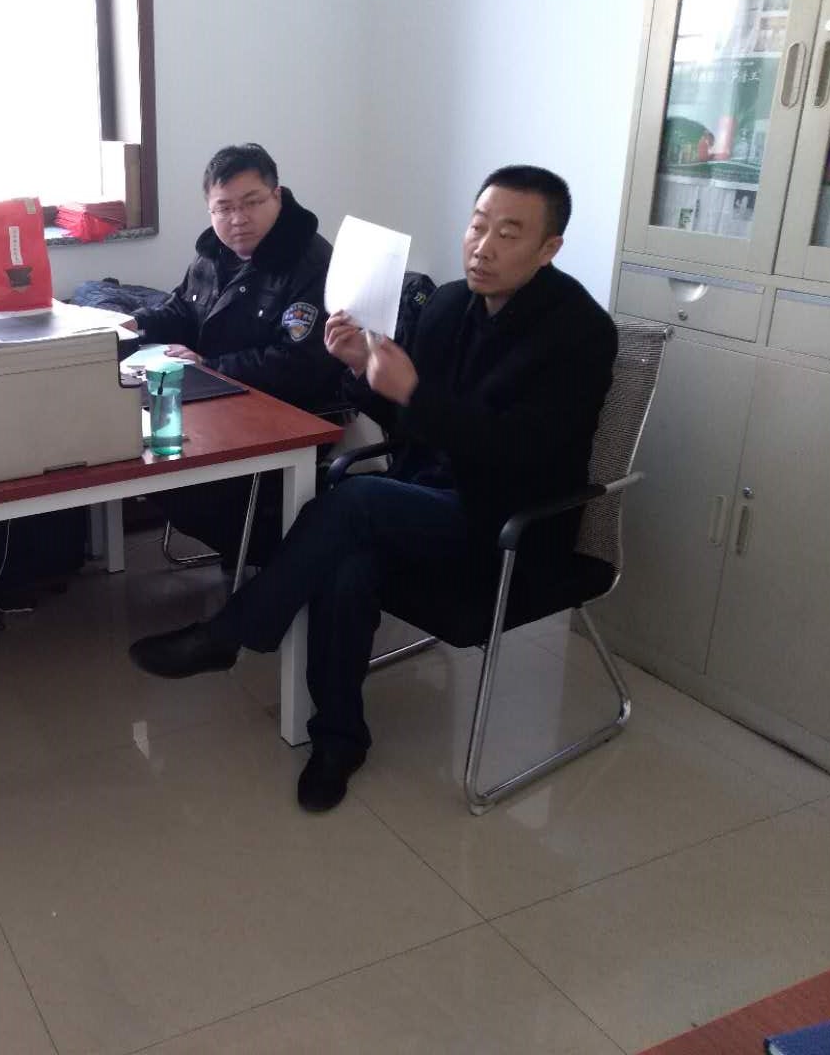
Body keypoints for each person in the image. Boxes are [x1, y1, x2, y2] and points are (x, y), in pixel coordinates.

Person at [128, 166, 617, 814]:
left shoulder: (579, 333)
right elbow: (403, 422)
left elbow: (517, 450)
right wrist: (362, 370)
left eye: (508, 234)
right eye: (477, 226)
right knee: (348, 557)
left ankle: (233, 632)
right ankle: (339, 740)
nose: (482, 247)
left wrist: (414, 392)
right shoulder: (448, 305)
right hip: (427, 498)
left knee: (353, 502)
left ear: (549, 247)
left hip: (508, 523)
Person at [133, 143, 345, 565]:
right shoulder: (213, 252)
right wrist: (132, 324)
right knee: (148, 462)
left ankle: (276, 560)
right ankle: (252, 554)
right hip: (216, 404)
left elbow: (299, 363)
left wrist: (209, 367)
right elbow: (183, 310)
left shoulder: (311, 262)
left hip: (283, 415)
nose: (238, 219)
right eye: (224, 208)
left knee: (173, 477)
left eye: (252, 203)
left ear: (277, 196)